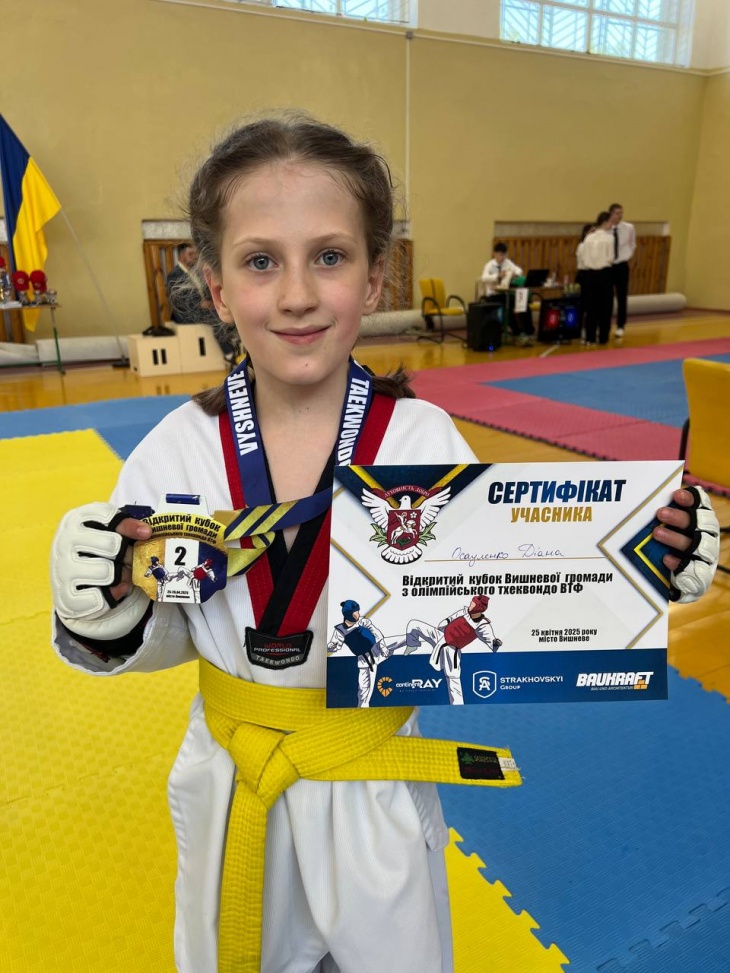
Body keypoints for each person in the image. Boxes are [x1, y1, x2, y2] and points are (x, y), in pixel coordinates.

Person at [49, 115, 720, 973]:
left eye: (329, 256)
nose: (297, 294)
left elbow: (512, 585)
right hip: (235, 781)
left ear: (374, 280)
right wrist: (103, 607)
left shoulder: (423, 441)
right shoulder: (172, 453)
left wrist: (647, 561)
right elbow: (170, 624)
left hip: (372, 778)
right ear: (215, 288)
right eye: (261, 261)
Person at [401, 595, 502, 706]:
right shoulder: (464, 612)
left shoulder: (482, 625)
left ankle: (458, 705)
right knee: (414, 625)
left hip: (452, 649)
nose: (470, 605)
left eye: (473, 604)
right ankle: (412, 645)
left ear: (478, 607)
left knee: (453, 678)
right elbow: (451, 618)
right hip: (440, 636)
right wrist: (445, 622)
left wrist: (495, 643)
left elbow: (490, 639)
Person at [166, 241, 240, 360]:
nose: (195, 257)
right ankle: (229, 353)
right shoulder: (175, 275)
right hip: (184, 314)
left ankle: (234, 343)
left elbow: (206, 292)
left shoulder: (194, 272)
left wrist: (211, 302)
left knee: (224, 311)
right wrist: (204, 304)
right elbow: (181, 301)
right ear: (182, 256)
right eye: (191, 254)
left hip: (200, 309)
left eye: (196, 254)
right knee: (215, 317)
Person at [480, 242, 534, 343]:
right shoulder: (489, 265)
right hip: (493, 295)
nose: (502, 257)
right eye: (500, 255)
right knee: (507, 307)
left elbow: (519, 270)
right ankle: (516, 332)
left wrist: (515, 274)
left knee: (523, 305)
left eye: (504, 255)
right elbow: (483, 278)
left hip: (505, 294)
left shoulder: (507, 263)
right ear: (495, 254)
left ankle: (529, 331)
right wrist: (497, 276)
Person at [579, 211, 615, 346]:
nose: (611, 225)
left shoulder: (588, 238)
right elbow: (610, 258)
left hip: (589, 275)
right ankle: (603, 337)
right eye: (610, 222)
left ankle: (590, 338)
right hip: (604, 274)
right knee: (605, 307)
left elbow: (584, 258)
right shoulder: (609, 238)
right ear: (605, 222)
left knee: (591, 307)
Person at [608, 202, 636, 338]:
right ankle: (605, 325)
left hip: (621, 264)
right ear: (611, 214)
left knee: (622, 296)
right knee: (607, 297)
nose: (619, 216)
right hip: (608, 265)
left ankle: (620, 326)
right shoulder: (606, 228)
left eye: (621, 213)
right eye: (617, 213)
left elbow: (632, 244)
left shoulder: (629, 227)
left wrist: (627, 256)